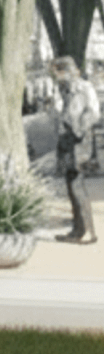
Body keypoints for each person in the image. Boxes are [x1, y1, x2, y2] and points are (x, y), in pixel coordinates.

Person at [54, 56, 97, 243]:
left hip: (78, 141)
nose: (56, 76)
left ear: (66, 71)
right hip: (66, 141)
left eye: (58, 72)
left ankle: (87, 231)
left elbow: (93, 112)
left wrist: (79, 129)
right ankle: (77, 229)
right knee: (71, 186)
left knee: (77, 186)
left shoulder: (84, 88)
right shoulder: (63, 89)